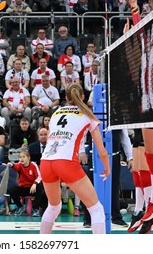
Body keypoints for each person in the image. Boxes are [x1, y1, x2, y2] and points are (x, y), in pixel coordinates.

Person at [39, 83, 110, 234]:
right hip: (66, 162)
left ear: (66, 97)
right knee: (96, 209)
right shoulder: (87, 114)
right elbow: (101, 150)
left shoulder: (56, 112)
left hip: (46, 161)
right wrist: (107, 166)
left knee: (53, 207)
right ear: (83, 97)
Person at [124, 0, 153, 234]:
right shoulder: (142, 56)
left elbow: (142, 35)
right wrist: (134, 11)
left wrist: (136, 10)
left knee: (150, 156)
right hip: (140, 105)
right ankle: (143, 211)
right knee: (139, 163)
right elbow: (138, 38)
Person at [7, 150, 44, 217]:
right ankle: (20, 207)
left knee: (40, 186)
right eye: (20, 157)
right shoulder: (19, 165)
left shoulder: (33, 165)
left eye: (24, 157)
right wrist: (12, 165)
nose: (21, 159)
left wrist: (35, 184)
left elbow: (39, 176)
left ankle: (35, 209)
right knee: (11, 189)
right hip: (23, 188)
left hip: (32, 188)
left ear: (29, 158)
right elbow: (16, 167)